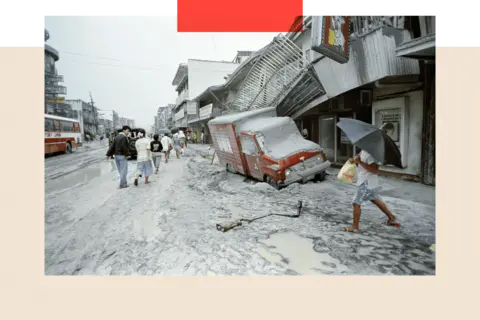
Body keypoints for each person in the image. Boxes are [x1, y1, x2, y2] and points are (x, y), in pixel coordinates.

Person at [344, 150, 399, 232]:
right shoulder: (363, 151)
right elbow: (360, 164)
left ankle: (355, 227)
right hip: (367, 182)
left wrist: (360, 162)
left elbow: (375, 170)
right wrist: (356, 161)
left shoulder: (370, 154)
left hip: (366, 183)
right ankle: (391, 217)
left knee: (356, 202)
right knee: (375, 199)